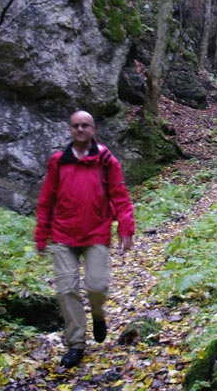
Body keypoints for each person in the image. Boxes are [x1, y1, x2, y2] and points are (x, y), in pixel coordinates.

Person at [34, 110, 135, 368]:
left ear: (93, 129)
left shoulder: (105, 160)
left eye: (85, 126)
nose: (80, 130)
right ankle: (76, 344)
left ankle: (98, 316)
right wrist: (41, 235)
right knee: (66, 290)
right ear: (70, 129)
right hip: (62, 234)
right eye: (76, 126)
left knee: (97, 286)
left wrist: (126, 228)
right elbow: (46, 200)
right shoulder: (58, 161)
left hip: (96, 233)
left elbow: (120, 196)